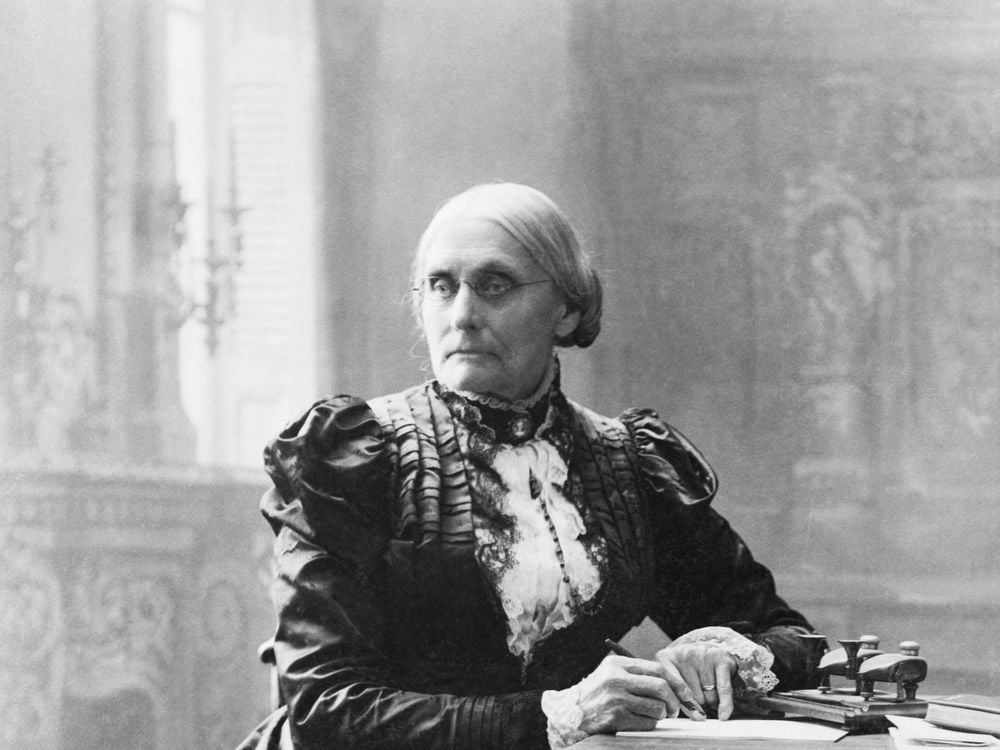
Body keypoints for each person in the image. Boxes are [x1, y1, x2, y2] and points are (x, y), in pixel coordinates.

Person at [238, 182, 824, 750]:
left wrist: (722, 650)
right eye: (441, 287)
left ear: (566, 310)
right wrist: (557, 715)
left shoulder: (625, 463)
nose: (463, 314)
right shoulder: (355, 460)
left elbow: (793, 637)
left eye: (495, 285)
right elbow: (324, 710)